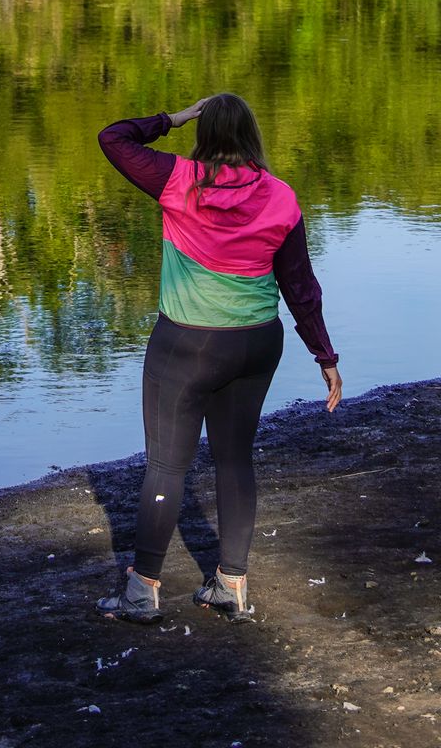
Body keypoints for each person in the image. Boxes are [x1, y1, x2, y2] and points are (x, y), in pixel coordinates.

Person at [96, 92, 340, 623]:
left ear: (204, 136)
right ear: (252, 136)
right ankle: (231, 584)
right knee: (234, 459)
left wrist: (171, 119)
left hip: (186, 344)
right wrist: (324, 354)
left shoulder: (178, 179)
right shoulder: (281, 197)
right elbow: (300, 285)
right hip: (255, 343)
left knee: (166, 465)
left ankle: (142, 592)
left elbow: (113, 138)